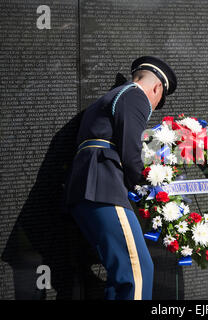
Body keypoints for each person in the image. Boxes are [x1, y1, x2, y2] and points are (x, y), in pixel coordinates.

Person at [65, 56, 177, 300]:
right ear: (157, 87)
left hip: (87, 186)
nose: (154, 106)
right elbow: (130, 153)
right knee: (137, 273)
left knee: (122, 276)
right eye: (158, 101)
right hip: (104, 185)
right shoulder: (136, 95)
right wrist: (151, 184)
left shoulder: (110, 98)